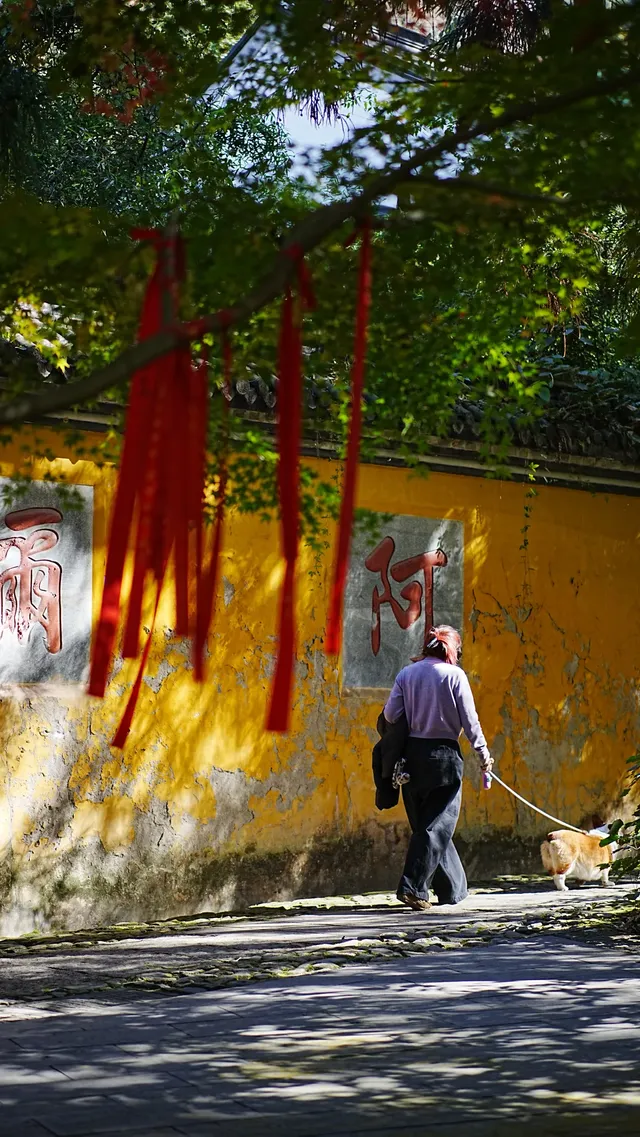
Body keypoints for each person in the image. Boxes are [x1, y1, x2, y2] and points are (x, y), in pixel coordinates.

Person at [383, 624, 493, 912]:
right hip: (444, 756)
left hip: (412, 757)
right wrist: (484, 756)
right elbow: (470, 723)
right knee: (436, 826)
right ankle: (413, 888)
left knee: (428, 825)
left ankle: (453, 889)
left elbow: (390, 714)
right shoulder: (455, 676)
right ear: (453, 650)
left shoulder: (407, 674)